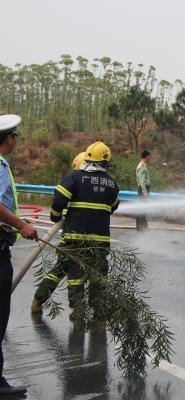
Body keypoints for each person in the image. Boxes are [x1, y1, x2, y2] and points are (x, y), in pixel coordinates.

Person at [44, 142, 119, 321]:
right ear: (105, 162)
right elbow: (113, 207)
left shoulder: (74, 178)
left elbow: (58, 200)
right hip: (100, 242)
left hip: (74, 238)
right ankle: (99, 310)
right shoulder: (112, 184)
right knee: (98, 275)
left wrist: (55, 217)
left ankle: (77, 309)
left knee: (75, 274)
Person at [0, 114, 38, 396]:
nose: (16, 141)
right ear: (9, 139)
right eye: (16, 137)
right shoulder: (0, 167)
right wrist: (21, 224)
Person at [31, 152, 86, 313]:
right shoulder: (86, 187)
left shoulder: (73, 183)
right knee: (75, 274)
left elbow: (58, 206)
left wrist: (55, 217)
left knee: (59, 269)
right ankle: (77, 310)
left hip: (68, 237)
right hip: (77, 238)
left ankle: (37, 300)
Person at [135, 150, 151, 230]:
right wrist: (145, 192)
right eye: (149, 156)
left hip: (143, 189)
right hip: (143, 189)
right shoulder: (141, 166)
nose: (150, 158)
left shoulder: (143, 165)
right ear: (147, 156)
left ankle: (143, 226)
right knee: (142, 208)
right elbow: (141, 180)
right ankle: (142, 227)